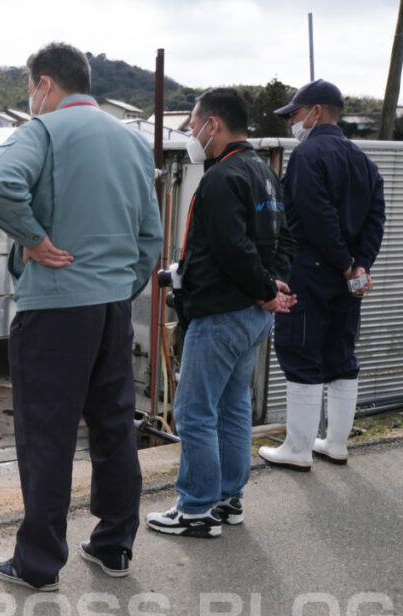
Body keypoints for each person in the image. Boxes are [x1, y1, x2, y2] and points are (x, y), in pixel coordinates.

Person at [0, 42, 163, 589]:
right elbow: (149, 237)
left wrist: (33, 239)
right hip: (111, 308)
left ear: (45, 86)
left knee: (47, 435)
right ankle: (114, 546)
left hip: (55, 309)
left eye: (31, 89)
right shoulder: (131, 143)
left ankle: (37, 565)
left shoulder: (44, 131)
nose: (31, 99)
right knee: (113, 424)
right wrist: (117, 287)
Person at [145, 88, 296, 538]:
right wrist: (272, 287)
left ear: (213, 124)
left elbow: (232, 248)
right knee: (233, 408)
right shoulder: (265, 174)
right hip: (251, 316)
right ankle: (229, 500)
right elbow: (282, 242)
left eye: (193, 124)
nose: (191, 133)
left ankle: (195, 509)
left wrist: (266, 289)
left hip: (221, 315)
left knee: (193, 412)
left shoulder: (220, 177)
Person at [258, 79, 385, 470]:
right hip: (348, 279)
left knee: (301, 352)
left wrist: (345, 261)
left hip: (311, 270)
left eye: (294, 114)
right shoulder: (363, 160)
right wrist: (359, 266)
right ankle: (335, 443)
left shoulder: (308, 155)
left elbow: (316, 215)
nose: (291, 123)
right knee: (341, 355)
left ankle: (297, 449)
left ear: (316, 112)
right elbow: (376, 218)